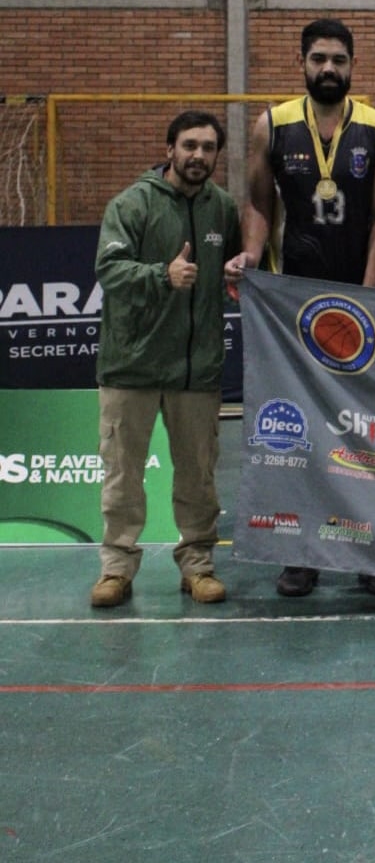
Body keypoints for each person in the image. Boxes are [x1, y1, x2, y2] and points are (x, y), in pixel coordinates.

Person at [225, 18, 375, 599]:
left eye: (339, 60)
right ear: (302, 63)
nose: (329, 69)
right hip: (292, 308)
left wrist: (369, 294)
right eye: (319, 59)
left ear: (353, 65)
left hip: (360, 306)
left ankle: (374, 551)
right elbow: (258, 204)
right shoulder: (272, 125)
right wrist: (251, 256)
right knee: (296, 432)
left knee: (363, 434)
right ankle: (299, 552)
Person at [90, 111, 241, 607]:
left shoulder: (223, 209)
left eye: (208, 148)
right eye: (189, 146)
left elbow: (236, 265)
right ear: (170, 149)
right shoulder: (132, 204)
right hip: (130, 368)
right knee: (123, 474)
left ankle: (197, 564)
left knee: (198, 476)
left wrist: (240, 271)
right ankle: (116, 568)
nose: (198, 155)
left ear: (218, 155)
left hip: (196, 372)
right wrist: (163, 274)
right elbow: (109, 270)